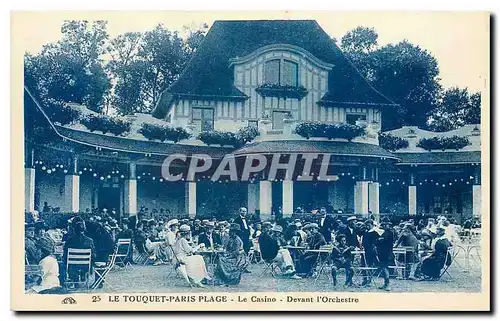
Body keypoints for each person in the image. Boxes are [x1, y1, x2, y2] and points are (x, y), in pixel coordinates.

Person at [62, 219, 95, 285]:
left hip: (72, 265)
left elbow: (65, 254)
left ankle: (74, 279)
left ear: (74, 230)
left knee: (63, 262)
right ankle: (83, 275)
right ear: (84, 230)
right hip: (86, 265)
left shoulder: (69, 240)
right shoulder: (90, 241)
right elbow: (93, 255)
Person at [374, 219, 393, 291]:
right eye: (383, 225)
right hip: (381, 253)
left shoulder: (390, 233)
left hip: (387, 253)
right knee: (383, 267)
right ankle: (385, 283)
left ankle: (387, 284)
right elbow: (377, 240)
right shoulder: (384, 232)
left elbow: (381, 240)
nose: (384, 226)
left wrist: (378, 239)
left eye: (386, 225)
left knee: (385, 267)